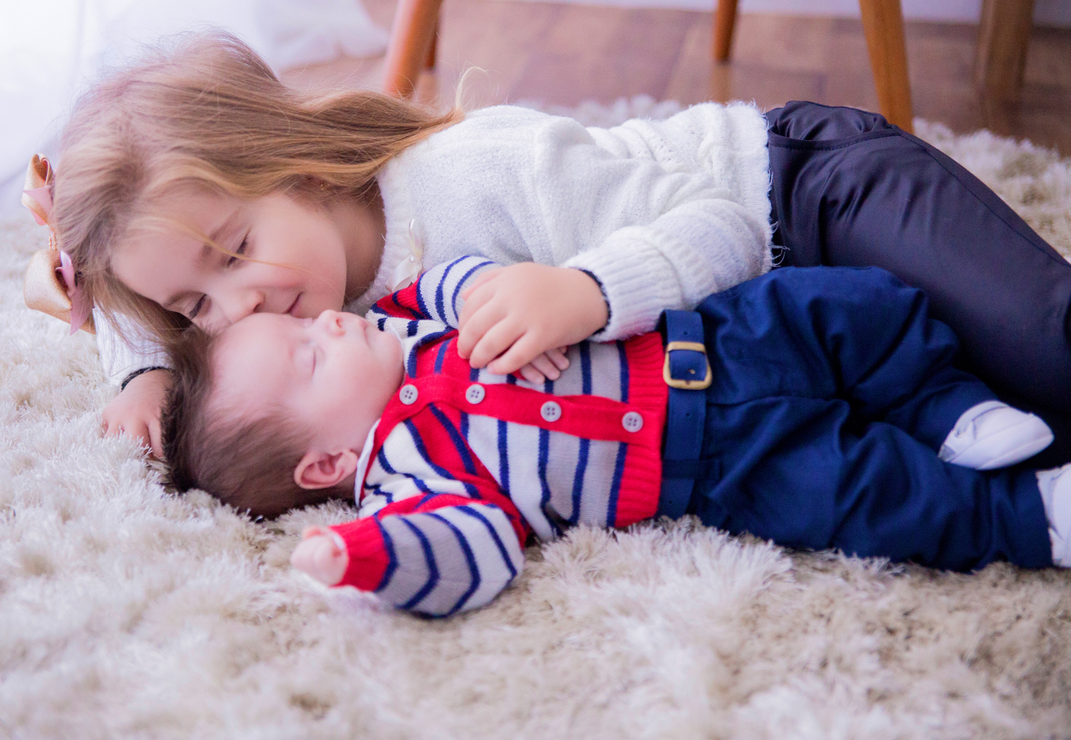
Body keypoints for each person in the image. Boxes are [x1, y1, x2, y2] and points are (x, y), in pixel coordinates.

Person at [35, 30, 1071, 461]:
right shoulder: (286, 312)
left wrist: (584, 289)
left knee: (1047, 350)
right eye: (194, 308)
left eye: (233, 253)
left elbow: (724, 221)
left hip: (805, 196)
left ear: (299, 166)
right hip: (791, 339)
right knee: (1003, 440)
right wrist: (138, 365)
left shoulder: (478, 173)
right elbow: (156, 291)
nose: (236, 313)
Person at [159, 257, 1070, 617]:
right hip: (723, 471)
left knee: (854, 304)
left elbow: (460, 275)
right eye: (310, 357)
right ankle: (1033, 515)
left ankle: (948, 410)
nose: (328, 322)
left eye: (304, 322)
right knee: (870, 499)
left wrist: (498, 299)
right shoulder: (413, 479)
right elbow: (469, 554)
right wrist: (365, 556)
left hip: (715, 338)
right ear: (327, 462)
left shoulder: (408, 321)